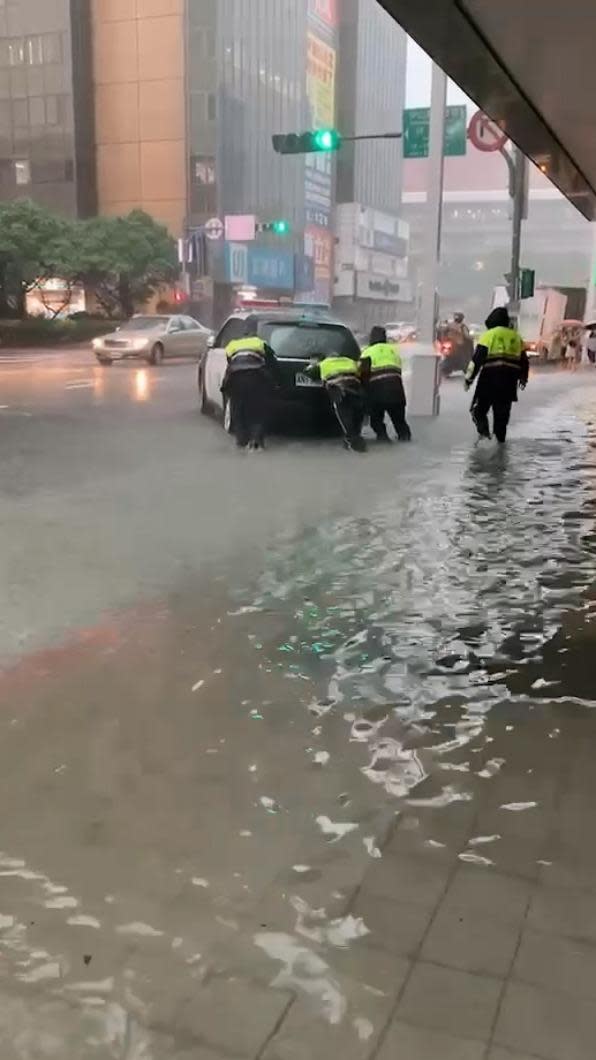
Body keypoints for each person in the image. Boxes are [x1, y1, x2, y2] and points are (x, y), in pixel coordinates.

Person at [464, 306, 529, 444]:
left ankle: (485, 437)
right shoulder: (516, 337)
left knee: (478, 411)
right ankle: (499, 447)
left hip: (489, 381)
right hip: (509, 383)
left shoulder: (489, 335)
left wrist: (468, 380)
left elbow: (477, 360)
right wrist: (523, 378)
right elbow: (524, 360)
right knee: (501, 418)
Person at [221, 316, 280, 450]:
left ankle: (241, 441)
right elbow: (272, 362)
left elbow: (229, 362)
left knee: (237, 409)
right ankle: (256, 440)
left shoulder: (233, 344)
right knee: (257, 410)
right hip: (256, 379)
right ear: (255, 332)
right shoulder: (260, 343)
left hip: (235, 380)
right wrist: (275, 381)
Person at [306, 353, 366, 452]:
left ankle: (353, 440)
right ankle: (354, 436)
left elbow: (309, 374)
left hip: (339, 389)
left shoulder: (323, 364)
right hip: (355, 387)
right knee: (356, 412)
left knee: (344, 415)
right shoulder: (349, 360)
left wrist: (312, 365)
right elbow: (361, 371)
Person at [360, 325, 411, 442]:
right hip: (397, 393)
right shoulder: (393, 350)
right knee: (400, 422)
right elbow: (398, 371)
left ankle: (383, 439)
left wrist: (364, 398)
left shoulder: (367, 352)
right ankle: (405, 438)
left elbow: (364, 376)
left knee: (376, 421)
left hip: (377, 394)